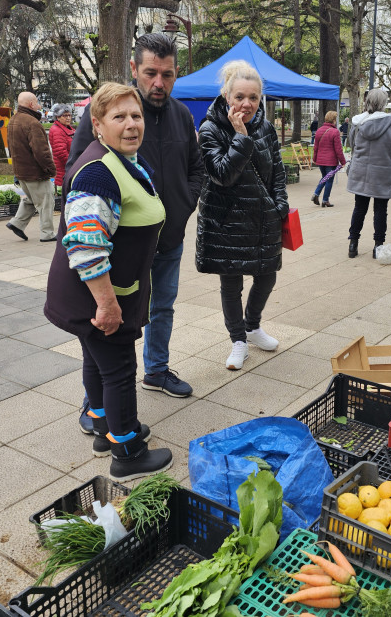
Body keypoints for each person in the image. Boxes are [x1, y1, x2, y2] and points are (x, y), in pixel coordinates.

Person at [66, 34, 204, 442]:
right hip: (120, 248)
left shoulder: (181, 116)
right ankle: (100, 401)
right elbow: (77, 172)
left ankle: (157, 370)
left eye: (167, 74)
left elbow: (197, 168)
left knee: (162, 307)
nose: (158, 82)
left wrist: (183, 203)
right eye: (150, 73)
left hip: (167, 238)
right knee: (108, 323)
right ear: (134, 69)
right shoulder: (110, 113)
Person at [44, 82, 171, 479]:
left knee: (96, 362)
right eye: (119, 117)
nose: (132, 124)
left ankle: (103, 428)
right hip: (98, 297)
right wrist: (106, 304)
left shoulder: (123, 160)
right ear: (98, 125)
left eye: (135, 115)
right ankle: (127, 451)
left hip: (96, 294)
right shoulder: (99, 172)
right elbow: (85, 245)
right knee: (117, 369)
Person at [196, 60, 288, 371]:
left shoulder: (266, 126)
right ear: (226, 96)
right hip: (227, 221)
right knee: (231, 280)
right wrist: (240, 137)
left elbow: (277, 171)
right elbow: (222, 174)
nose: (246, 104)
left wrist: (281, 205)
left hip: (264, 217)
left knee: (267, 274)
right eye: (239, 97)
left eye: (253, 97)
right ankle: (238, 340)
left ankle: (252, 326)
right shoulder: (209, 129)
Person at [345, 88, 391, 259]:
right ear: (384, 103)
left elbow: (352, 145)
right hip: (382, 173)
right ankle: (378, 246)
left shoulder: (358, 122)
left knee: (359, 208)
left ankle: (353, 243)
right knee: (380, 210)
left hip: (361, 172)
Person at [6, 91, 57, 242]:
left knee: (30, 199)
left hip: (20, 170)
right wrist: (50, 169)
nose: (39, 105)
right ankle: (47, 234)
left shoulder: (13, 120)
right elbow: (41, 151)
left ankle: (17, 223)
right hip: (35, 172)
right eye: (37, 102)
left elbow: (11, 147)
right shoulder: (32, 123)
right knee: (46, 201)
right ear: (31, 104)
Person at [310, 110, 345, 207]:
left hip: (321, 160)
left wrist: (314, 158)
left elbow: (315, 147)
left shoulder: (319, 130)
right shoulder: (335, 132)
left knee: (324, 177)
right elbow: (338, 149)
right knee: (329, 180)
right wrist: (343, 161)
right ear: (333, 120)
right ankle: (325, 200)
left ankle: (316, 194)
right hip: (330, 161)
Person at [48, 103, 76, 186]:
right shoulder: (57, 130)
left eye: (69, 115)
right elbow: (61, 153)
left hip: (69, 168)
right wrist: (74, 164)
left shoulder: (67, 128)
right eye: (64, 116)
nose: (68, 118)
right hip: (65, 170)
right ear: (57, 117)